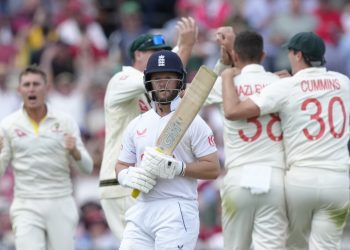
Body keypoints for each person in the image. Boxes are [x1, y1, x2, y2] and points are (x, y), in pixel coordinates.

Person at [221, 31, 350, 250]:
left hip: (300, 181)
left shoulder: (285, 87)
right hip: (338, 183)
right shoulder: (343, 82)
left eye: (290, 52)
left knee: (293, 246)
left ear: (298, 55)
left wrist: (226, 75)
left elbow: (233, 111)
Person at [99, 17, 198, 241]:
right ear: (138, 55)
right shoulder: (122, 79)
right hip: (122, 181)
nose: (160, 59)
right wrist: (186, 46)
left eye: (163, 52)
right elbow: (166, 76)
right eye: (153, 52)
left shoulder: (157, 89)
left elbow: (196, 92)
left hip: (143, 179)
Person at [115, 50, 220, 249]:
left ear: (180, 80)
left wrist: (178, 168)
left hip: (177, 208)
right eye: (157, 78)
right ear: (149, 82)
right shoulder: (137, 123)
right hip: (141, 209)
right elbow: (121, 164)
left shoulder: (194, 123)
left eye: (168, 77)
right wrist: (125, 175)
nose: (162, 83)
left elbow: (213, 169)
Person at [206, 30, 288, 249]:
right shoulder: (281, 83)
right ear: (263, 55)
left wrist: (223, 67)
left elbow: (192, 97)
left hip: (238, 177)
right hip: (275, 178)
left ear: (236, 56)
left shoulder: (226, 84)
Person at [0, 65, 93, 250]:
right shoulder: (8, 125)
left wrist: (74, 151)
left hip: (60, 201)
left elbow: (87, 168)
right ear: (19, 90)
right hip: (26, 203)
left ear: (47, 88)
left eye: (36, 84)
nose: (32, 89)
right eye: (26, 85)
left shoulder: (65, 121)